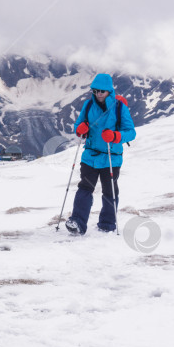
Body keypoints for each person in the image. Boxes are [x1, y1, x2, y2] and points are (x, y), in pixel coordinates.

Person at [65, 73, 136, 235]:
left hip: (112, 156)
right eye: (96, 91)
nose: (98, 94)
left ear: (109, 91)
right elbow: (79, 125)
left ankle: (107, 224)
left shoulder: (119, 107)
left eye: (102, 91)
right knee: (85, 188)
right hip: (90, 155)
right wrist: (80, 129)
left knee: (110, 191)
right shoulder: (88, 105)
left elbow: (130, 132)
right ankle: (77, 222)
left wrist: (116, 136)